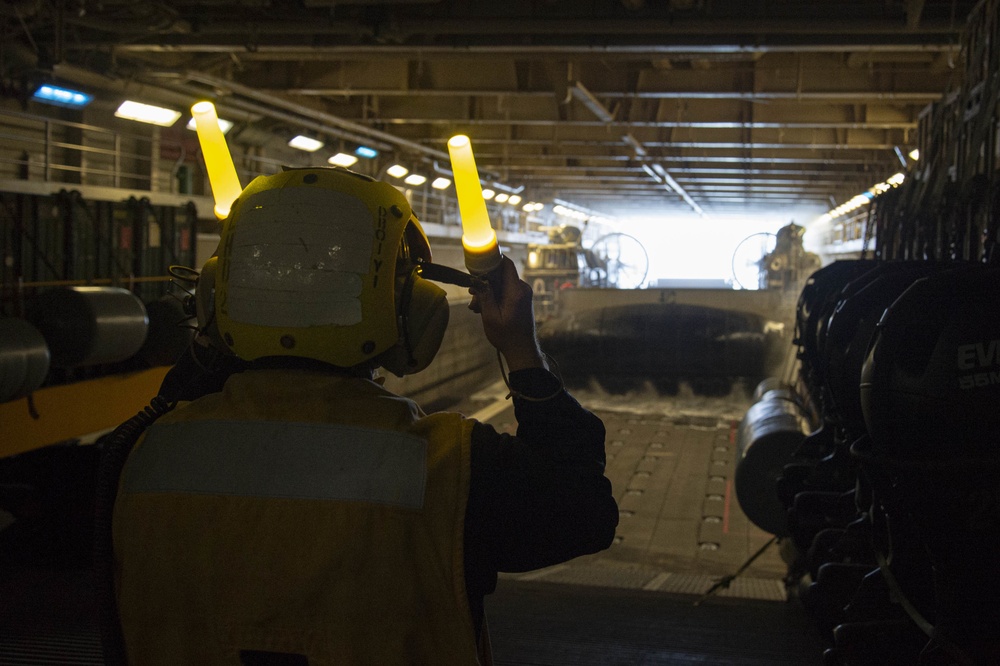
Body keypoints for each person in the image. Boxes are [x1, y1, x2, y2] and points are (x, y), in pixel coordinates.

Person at [105, 166, 618, 665]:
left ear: (216, 297)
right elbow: (583, 512)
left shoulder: (141, 457)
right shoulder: (453, 467)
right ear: (409, 311)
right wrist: (522, 351)